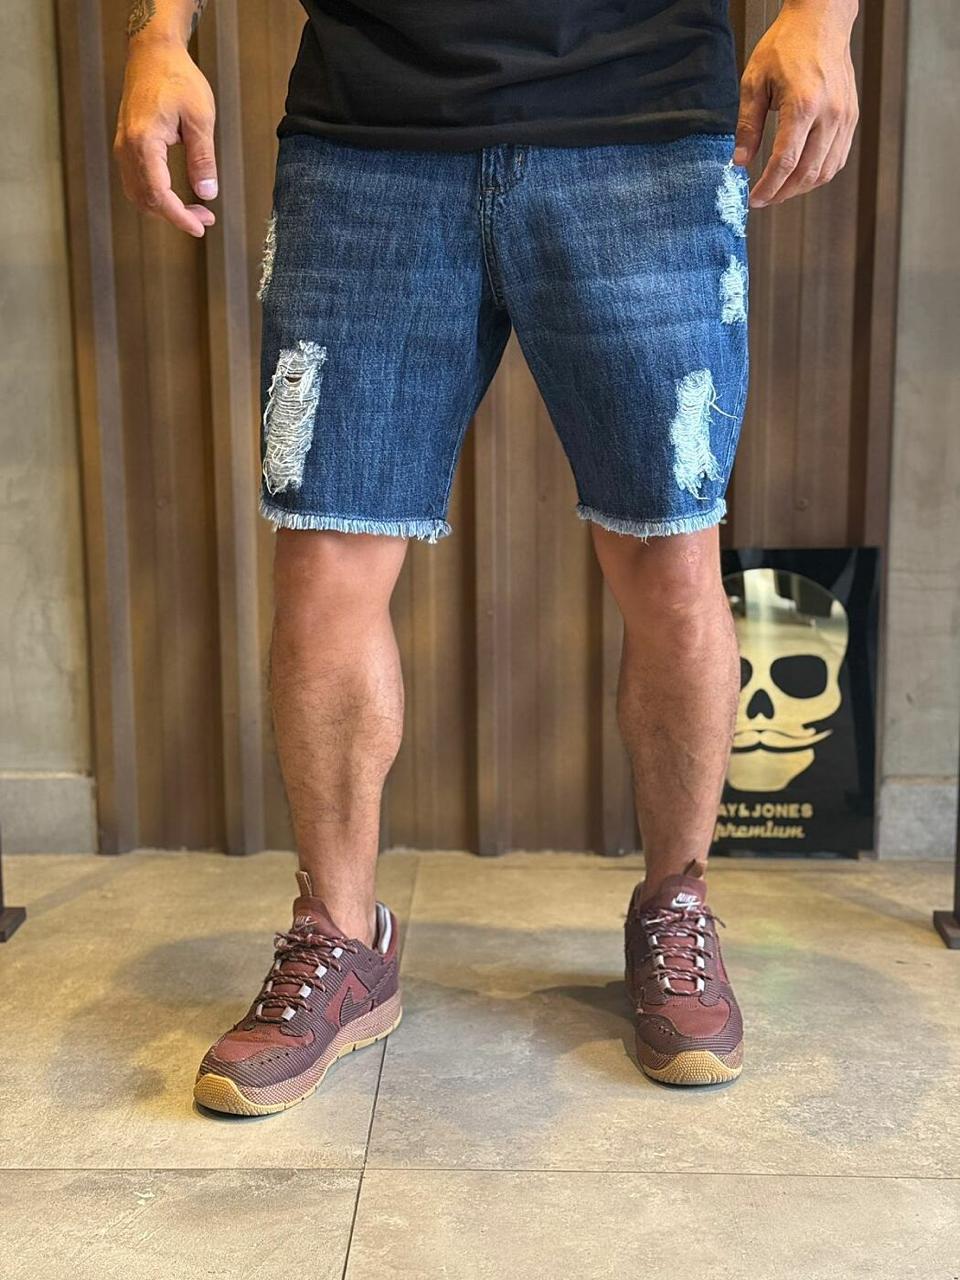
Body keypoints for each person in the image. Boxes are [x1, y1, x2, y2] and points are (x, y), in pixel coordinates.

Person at [115, 0, 859, 1112]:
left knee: (670, 558)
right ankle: (341, 939)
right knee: (326, 563)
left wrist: (822, 17)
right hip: (368, 134)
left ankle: (677, 905)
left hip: (647, 129)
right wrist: (157, 36)